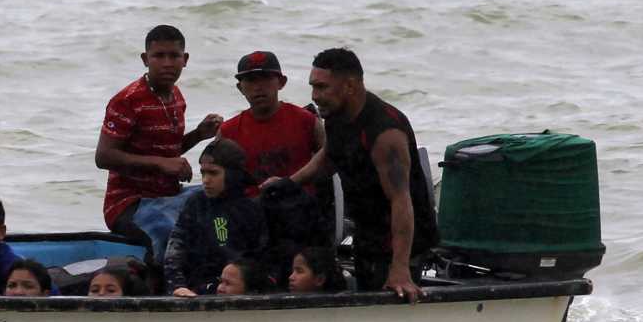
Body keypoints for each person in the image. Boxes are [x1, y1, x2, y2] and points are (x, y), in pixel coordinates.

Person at [291, 47, 440, 301]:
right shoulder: (337, 114)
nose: (315, 96)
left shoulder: (385, 133)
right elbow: (329, 155)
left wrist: (400, 268)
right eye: (312, 87)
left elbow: (401, 200)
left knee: (389, 302)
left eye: (322, 87)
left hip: (401, 244)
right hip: (367, 234)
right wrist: (288, 183)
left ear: (349, 85)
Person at [95, 24, 223, 255]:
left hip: (169, 197)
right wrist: (161, 163)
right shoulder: (128, 100)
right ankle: (171, 286)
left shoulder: (176, 97)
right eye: (159, 56)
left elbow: (166, 150)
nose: (167, 63)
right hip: (129, 204)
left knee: (225, 196)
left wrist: (198, 135)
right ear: (145, 59)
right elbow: (103, 157)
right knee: (169, 232)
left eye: (174, 56)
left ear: (185, 59)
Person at [166, 138, 269, 297]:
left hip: (238, 288)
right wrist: (177, 285)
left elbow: (260, 256)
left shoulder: (252, 210)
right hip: (197, 287)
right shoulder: (195, 204)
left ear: (232, 174)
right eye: (203, 173)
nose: (206, 180)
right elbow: (176, 247)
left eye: (213, 173)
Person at [216, 50, 325, 187]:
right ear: (240, 88)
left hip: (299, 204)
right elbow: (214, 175)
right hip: (249, 206)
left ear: (281, 82)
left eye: (265, 78)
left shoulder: (307, 121)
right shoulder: (228, 132)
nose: (258, 87)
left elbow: (331, 161)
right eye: (251, 80)